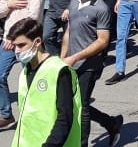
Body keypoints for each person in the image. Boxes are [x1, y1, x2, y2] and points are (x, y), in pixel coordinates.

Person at [61, 0, 123, 147]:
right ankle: (111, 123)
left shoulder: (101, 8)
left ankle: (82, 143)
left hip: (89, 64)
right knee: (72, 103)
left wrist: (77, 57)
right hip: (70, 61)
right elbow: (69, 31)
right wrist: (62, 57)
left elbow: (103, 41)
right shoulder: (74, 2)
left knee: (82, 107)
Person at [8, 18, 82, 147]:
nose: (16, 51)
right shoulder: (25, 72)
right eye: (14, 46)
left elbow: (65, 117)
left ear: (37, 42)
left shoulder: (58, 70)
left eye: (21, 45)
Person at [0, 0, 45, 129]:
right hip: (8, 40)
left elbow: (32, 17)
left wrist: (15, 37)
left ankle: (36, 116)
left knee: (31, 80)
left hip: (27, 40)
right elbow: (1, 9)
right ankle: (6, 114)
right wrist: (10, 4)